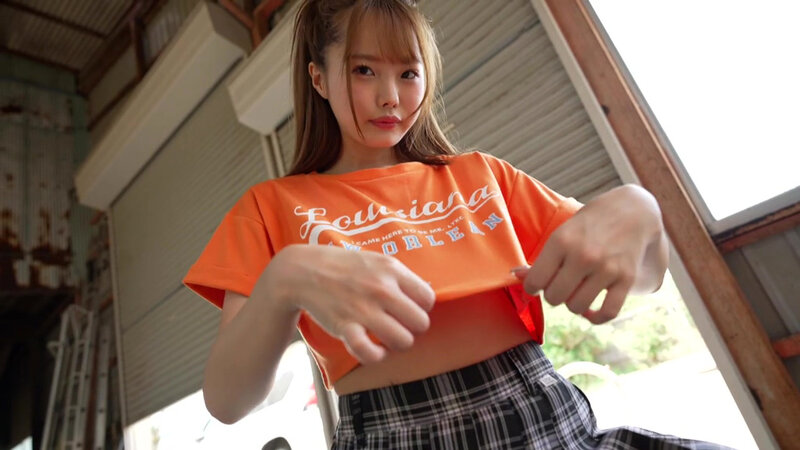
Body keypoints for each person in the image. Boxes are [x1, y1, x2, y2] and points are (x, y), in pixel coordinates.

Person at [184, 0, 733, 448]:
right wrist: (284, 280)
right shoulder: (269, 207)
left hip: (546, 419)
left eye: (408, 73)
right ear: (319, 78)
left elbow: (644, 277)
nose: (390, 97)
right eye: (363, 70)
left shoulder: (482, 176)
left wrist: (642, 210)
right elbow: (227, 402)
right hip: (389, 434)